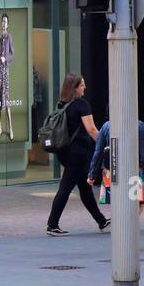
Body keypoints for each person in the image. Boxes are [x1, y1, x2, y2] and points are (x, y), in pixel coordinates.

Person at [46, 73, 109, 236]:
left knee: (85, 188)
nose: (85, 87)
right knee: (66, 187)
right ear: (74, 88)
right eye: (82, 85)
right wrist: (106, 145)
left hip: (65, 151)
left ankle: (101, 221)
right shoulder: (82, 105)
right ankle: (52, 224)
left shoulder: (62, 104)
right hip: (78, 153)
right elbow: (92, 129)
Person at [88, 117, 144, 213]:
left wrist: (92, 175)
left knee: (116, 200)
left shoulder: (106, 126)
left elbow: (98, 152)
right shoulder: (139, 125)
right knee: (136, 201)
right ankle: (131, 225)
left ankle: (119, 225)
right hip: (134, 169)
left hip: (111, 170)